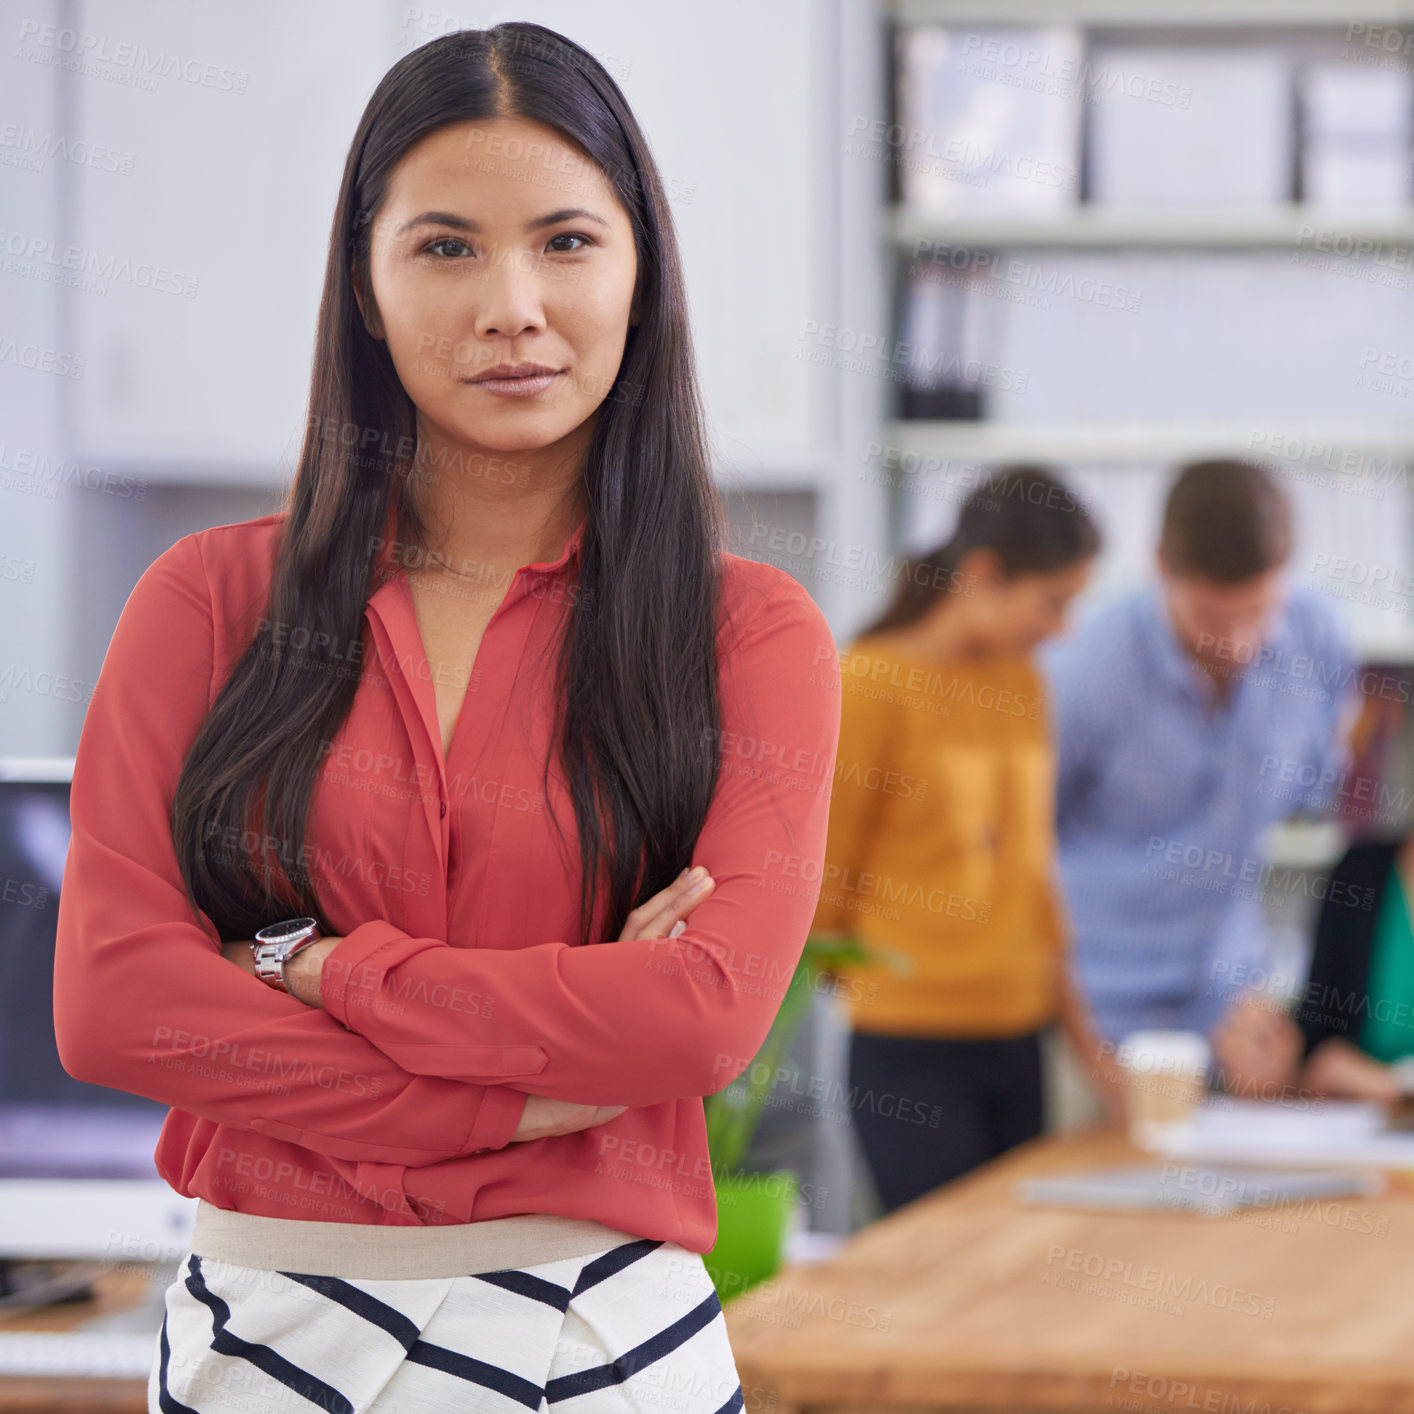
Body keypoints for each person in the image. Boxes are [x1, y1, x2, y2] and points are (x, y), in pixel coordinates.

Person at [51, 24, 841, 1414]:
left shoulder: (747, 633)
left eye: (565, 242)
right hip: (262, 1336)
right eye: (445, 247)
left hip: (601, 1340)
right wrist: (522, 1095)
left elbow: (703, 1016)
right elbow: (115, 1003)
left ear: (640, 268)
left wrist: (316, 965)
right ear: (363, 284)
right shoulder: (205, 601)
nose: (513, 305)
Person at [811, 467, 1116, 1214]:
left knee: (1013, 1276)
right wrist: (888, 984)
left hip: (1019, 1039)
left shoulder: (1023, 683)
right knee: (937, 1279)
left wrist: (1092, 1051)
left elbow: (1032, 874)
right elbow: (822, 884)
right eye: (1053, 602)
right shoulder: (868, 684)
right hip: (910, 1050)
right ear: (982, 575)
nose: (1064, 627)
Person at [1041, 459, 1361, 1106]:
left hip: (1229, 1016)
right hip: (1097, 1022)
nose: (1239, 643)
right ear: (1161, 566)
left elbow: (1309, 795)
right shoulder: (1081, 670)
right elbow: (1023, 858)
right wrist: (1089, 1052)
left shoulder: (1319, 641)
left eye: (1258, 614)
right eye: (1214, 618)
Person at [1213, 831, 1414, 1104]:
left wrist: (1397, 1085)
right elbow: (1317, 1045)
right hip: (1357, 1136)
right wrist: (1279, 1068)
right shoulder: (1361, 872)